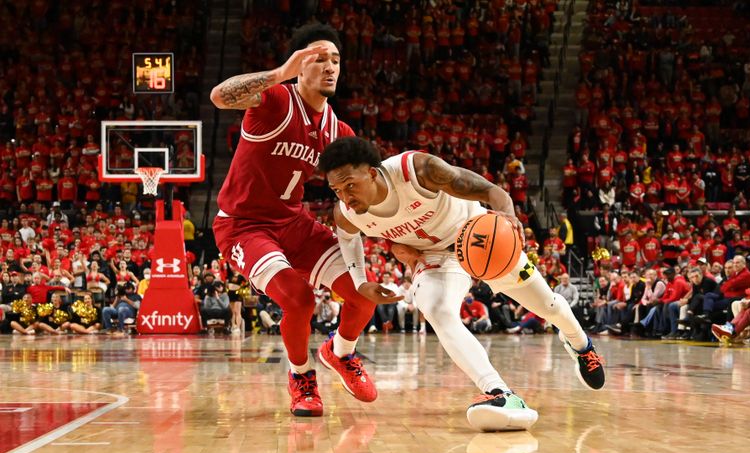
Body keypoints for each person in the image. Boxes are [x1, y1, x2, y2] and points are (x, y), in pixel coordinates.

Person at [318, 137, 605, 431]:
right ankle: (499, 393)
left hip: (478, 237)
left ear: (373, 173)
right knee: (436, 309)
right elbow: (348, 238)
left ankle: (582, 346)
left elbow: (490, 191)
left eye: (350, 185)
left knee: (550, 306)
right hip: (435, 258)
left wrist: (507, 216)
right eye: (337, 190)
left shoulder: (418, 171)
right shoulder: (347, 212)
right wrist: (360, 281)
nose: (345, 196)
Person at [210, 23, 381, 417]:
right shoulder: (273, 101)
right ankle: (301, 376)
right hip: (243, 224)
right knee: (299, 299)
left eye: (336, 59)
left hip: (294, 223)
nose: (330, 66)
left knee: (363, 292)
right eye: (319, 58)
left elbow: (362, 196)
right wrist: (278, 73)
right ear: (299, 64)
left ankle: (340, 354)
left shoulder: (339, 133)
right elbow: (220, 96)